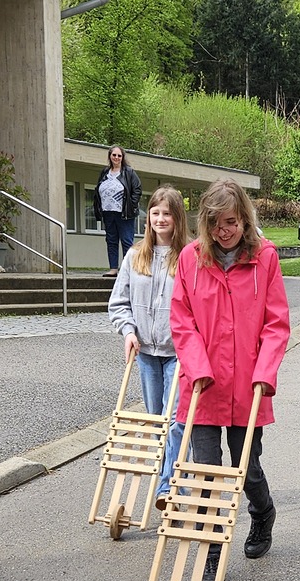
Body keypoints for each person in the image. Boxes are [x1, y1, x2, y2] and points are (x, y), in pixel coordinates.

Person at [171, 179, 290, 581]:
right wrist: (196, 365)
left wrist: (265, 372)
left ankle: (263, 511)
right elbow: (181, 320)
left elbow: (276, 324)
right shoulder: (190, 259)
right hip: (204, 384)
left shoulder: (265, 258)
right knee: (206, 474)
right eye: (217, 224)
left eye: (233, 222)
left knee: (245, 465)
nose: (226, 232)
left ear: (245, 218)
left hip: (248, 385)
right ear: (205, 224)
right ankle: (210, 555)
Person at [108, 185, 190, 511]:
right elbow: (119, 302)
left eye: (166, 213)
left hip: (176, 353)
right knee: (156, 421)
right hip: (145, 353)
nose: (160, 219)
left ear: (177, 218)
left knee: (175, 421)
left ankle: (168, 487)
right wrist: (128, 331)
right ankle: (172, 478)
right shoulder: (134, 255)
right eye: (155, 213)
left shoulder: (187, 257)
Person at [93, 145, 143, 277]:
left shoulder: (128, 172)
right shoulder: (104, 173)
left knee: (126, 240)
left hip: (124, 213)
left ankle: (128, 269)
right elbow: (97, 189)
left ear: (122, 157)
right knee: (111, 240)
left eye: (119, 155)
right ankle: (113, 268)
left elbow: (137, 190)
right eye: (114, 155)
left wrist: (131, 206)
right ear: (110, 156)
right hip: (108, 212)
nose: (116, 158)